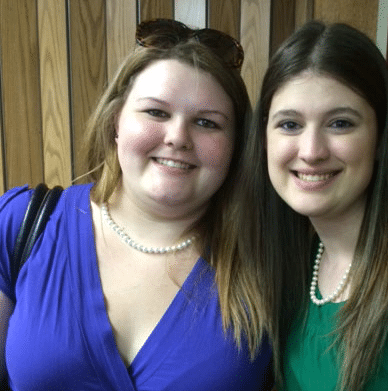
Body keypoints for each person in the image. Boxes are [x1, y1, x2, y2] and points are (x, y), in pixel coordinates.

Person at [0, 18, 273, 390]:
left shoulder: (268, 260)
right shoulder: (22, 224)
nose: (178, 137)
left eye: (207, 123)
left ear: (236, 145)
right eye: (156, 112)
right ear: (116, 121)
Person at [239, 20, 388, 391]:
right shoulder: (295, 258)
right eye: (289, 124)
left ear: (381, 139)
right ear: (264, 140)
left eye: (340, 123)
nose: (312, 151)